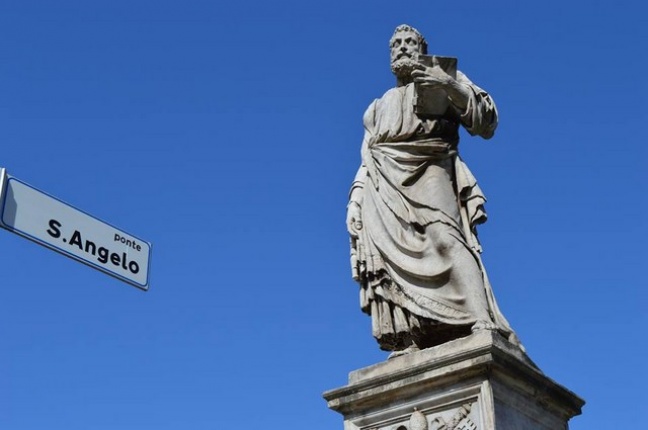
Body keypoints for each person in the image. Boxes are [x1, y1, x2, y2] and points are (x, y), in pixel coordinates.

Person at [347, 24, 520, 355]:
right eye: (395, 44)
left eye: (409, 42)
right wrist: (355, 201)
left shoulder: (441, 76)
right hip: (382, 184)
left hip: (430, 168)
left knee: (446, 237)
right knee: (386, 258)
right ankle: (412, 333)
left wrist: (449, 85)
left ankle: (481, 320)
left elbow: (486, 121)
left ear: (421, 48)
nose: (401, 48)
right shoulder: (377, 106)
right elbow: (367, 157)